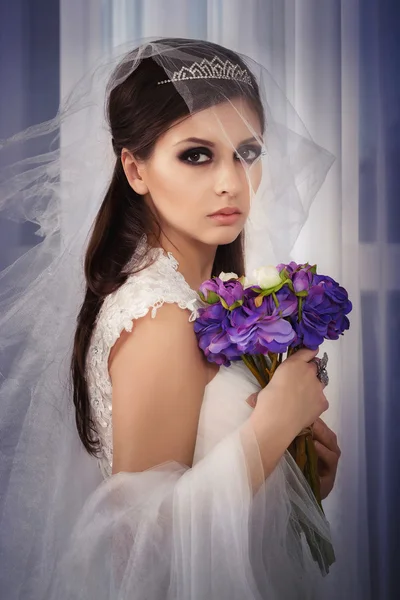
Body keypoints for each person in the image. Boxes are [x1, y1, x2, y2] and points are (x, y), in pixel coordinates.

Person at [0, 37, 341, 599]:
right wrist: (272, 427)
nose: (231, 181)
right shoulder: (161, 318)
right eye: (196, 154)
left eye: (247, 152)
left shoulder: (198, 299)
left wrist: (292, 477)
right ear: (134, 169)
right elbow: (141, 555)